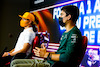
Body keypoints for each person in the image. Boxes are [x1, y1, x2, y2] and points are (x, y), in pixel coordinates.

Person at [10, 5, 83, 67]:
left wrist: (46, 54)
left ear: (68, 17)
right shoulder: (65, 33)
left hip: (52, 64)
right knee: (14, 62)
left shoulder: (74, 33)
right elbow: (60, 53)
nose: (59, 17)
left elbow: (67, 58)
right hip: (49, 61)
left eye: (61, 14)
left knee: (15, 65)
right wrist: (44, 53)